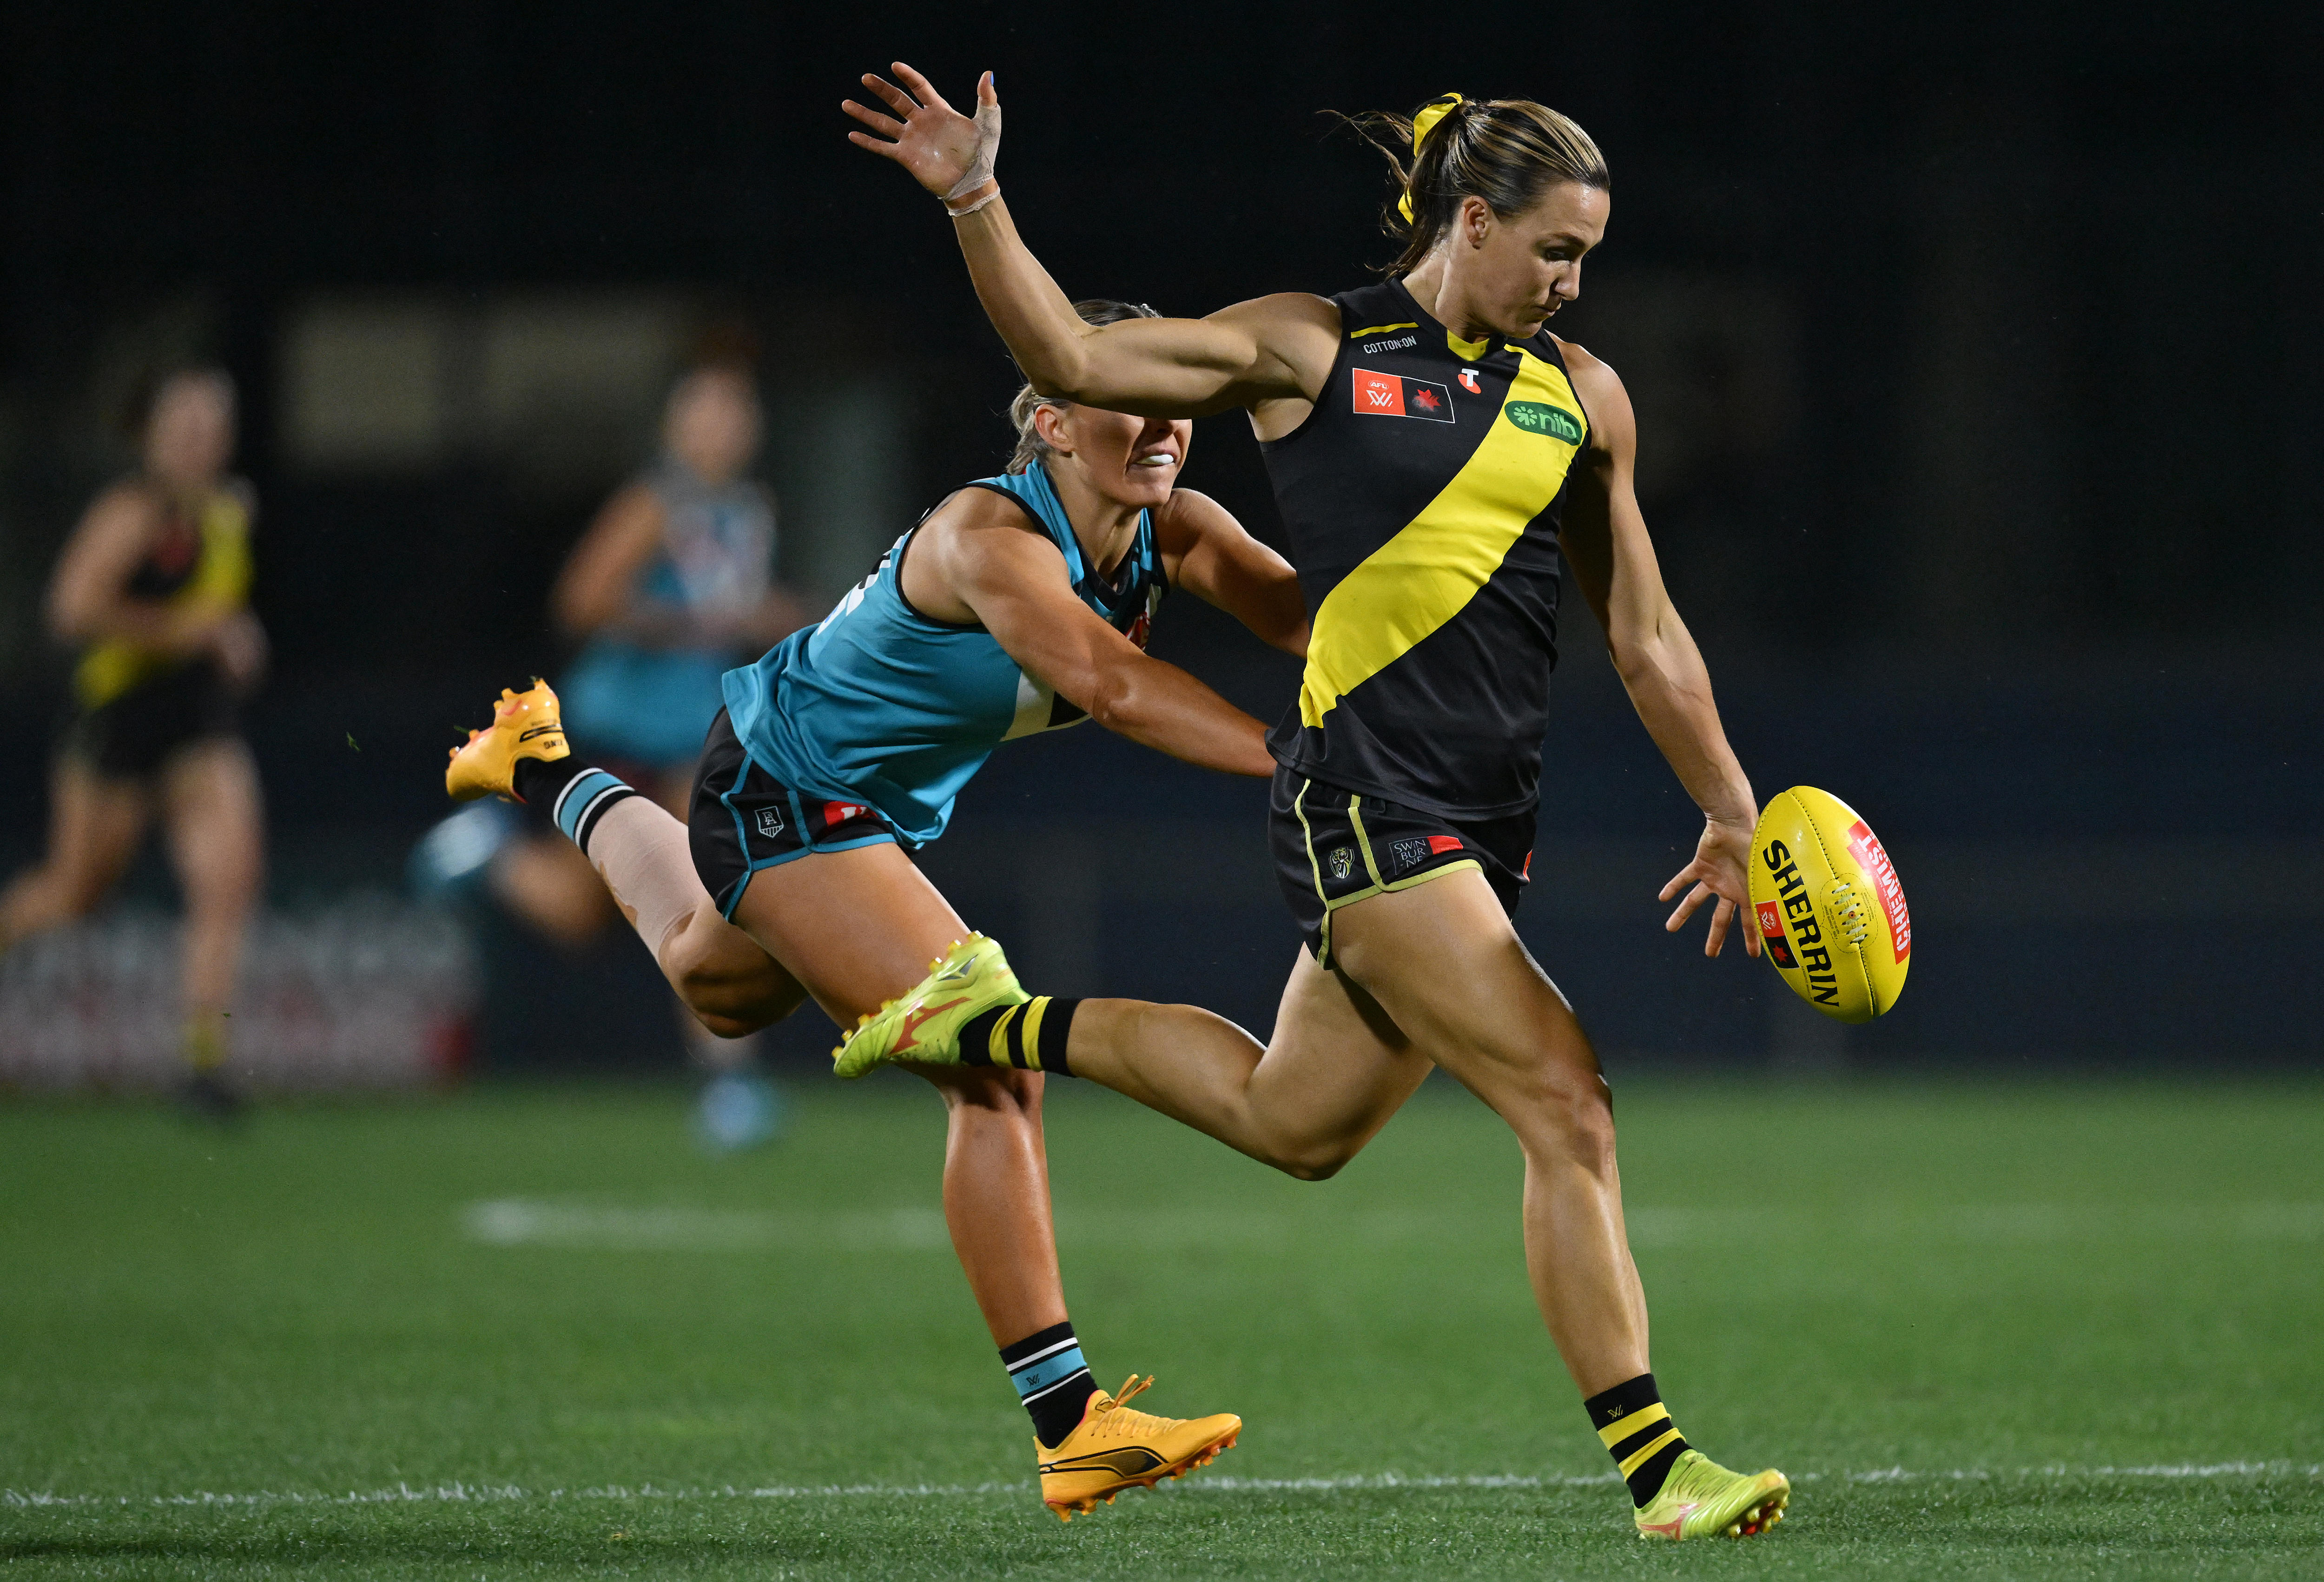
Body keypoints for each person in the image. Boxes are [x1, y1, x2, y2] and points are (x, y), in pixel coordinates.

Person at [837, 69, 1790, 1542]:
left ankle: (987, 1020)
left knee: (1299, 1123)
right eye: (1554, 248)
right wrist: (976, 197)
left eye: (1587, 254)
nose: (1574, 280)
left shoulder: (1581, 396)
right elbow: (1075, 354)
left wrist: (1731, 809)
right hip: (1364, 797)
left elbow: (1647, 634)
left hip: (1485, 815)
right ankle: (1664, 1472)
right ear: (1471, 221)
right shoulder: (1313, 347)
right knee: (1567, 1102)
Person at [440, 299, 1304, 1519]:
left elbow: (1316, 623)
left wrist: (1436, 616)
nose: (1167, 419)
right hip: (787, 789)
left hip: (834, 803)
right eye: (1130, 391)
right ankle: (1074, 1425)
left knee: (710, 975)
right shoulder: (988, 537)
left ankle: (539, 762)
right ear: (1052, 418)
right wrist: (1293, 756)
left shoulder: (1176, 528)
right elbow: (1113, 682)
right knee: (993, 1060)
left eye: (1179, 394)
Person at [415, 361, 813, 1147]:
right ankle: (730, 1088)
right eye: (704, 415)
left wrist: (783, 621)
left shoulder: (744, 511)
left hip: (692, 733)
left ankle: (487, 854)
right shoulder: (652, 506)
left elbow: (731, 612)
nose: (721, 430)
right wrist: (683, 620)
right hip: (621, 726)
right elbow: (582, 601)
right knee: (664, 896)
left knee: (629, 904)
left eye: (735, 415)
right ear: (675, 428)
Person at [0, 368, 267, 1120]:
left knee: (229, 882)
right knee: (73, 895)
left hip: (198, 726)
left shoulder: (228, 511)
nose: (199, 441)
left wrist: (237, 638)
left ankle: (204, 1066)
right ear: (151, 437)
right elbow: (71, 609)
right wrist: (180, 634)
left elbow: (217, 610)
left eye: (212, 427)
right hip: (119, 723)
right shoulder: (131, 512)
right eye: (183, 427)